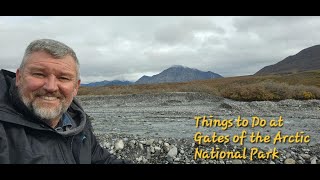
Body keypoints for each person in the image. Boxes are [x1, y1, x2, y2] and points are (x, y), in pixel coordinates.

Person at [0, 39, 131, 164]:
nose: (51, 87)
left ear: (76, 87)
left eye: (63, 78)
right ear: (19, 77)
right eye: (39, 74)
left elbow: (100, 160)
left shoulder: (77, 123)